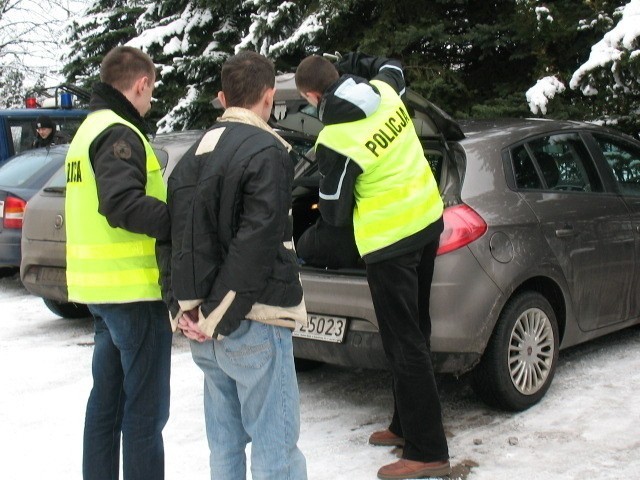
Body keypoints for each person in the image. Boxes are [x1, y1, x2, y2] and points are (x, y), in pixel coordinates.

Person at [295, 53, 451, 479]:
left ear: (311, 96)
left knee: (404, 344)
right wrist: (352, 60)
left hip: (391, 245)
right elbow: (393, 63)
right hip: (427, 223)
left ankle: (428, 450)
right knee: (416, 330)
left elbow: (333, 213)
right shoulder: (384, 91)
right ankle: (407, 424)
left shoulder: (336, 140)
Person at [161, 50, 308, 480]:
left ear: (223, 98)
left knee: (224, 449)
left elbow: (170, 241)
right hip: (250, 319)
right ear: (268, 97)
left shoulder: (191, 156)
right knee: (275, 451)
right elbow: (256, 245)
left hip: (203, 329)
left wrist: (184, 310)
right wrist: (215, 316)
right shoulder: (268, 149)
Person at [64, 46, 172, 480]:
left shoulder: (87, 129)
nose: (149, 101)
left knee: (106, 406)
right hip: (132, 293)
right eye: (151, 92)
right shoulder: (119, 131)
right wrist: (178, 222)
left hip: (101, 294)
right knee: (145, 414)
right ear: (141, 83)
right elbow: (121, 203)